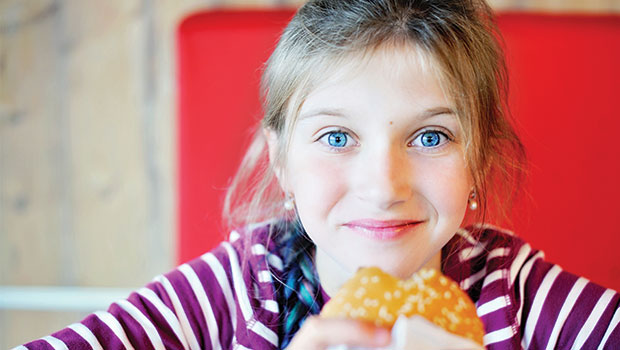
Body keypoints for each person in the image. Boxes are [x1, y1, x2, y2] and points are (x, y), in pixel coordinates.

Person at [16, 0, 620, 349]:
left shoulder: (511, 290)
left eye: (430, 136)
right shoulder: (237, 289)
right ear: (281, 160)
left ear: (479, 161)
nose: (384, 187)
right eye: (337, 137)